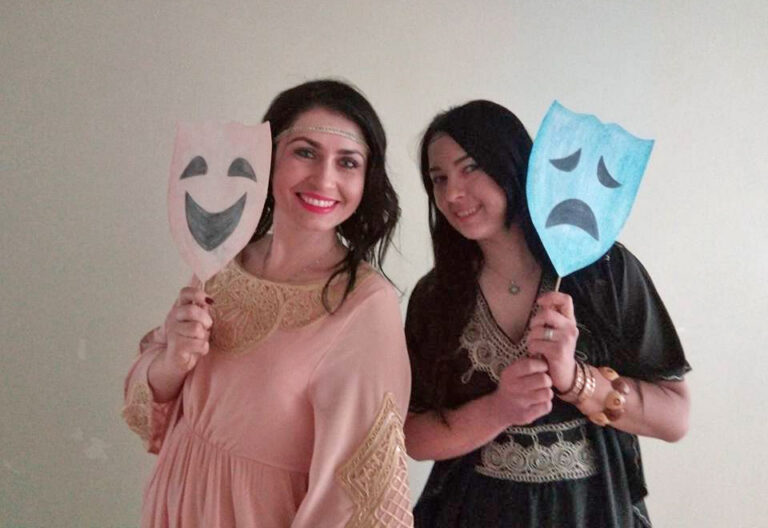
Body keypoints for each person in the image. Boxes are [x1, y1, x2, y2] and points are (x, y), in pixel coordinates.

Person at [122, 80, 414, 528]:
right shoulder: (222, 260)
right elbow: (148, 413)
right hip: (175, 497)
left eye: (347, 162)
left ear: (365, 180)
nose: (324, 179)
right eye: (305, 152)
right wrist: (174, 360)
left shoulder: (363, 305)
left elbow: (355, 494)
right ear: (267, 159)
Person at [403, 100, 690, 527]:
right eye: (438, 178)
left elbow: (676, 417)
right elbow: (413, 435)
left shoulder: (603, 272)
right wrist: (500, 409)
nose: (451, 194)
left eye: (470, 168)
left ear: (514, 164)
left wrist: (577, 380)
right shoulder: (436, 296)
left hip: (590, 513)